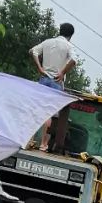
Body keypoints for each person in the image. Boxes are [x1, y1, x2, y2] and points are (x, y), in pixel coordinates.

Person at [30, 22, 78, 152]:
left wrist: (40, 68)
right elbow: (74, 60)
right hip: (56, 82)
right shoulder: (68, 46)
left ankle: (30, 140)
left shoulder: (48, 42)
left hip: (43, 78)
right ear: (71, 35)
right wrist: (62, 72)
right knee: (49, 113)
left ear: (60, 31)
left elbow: (33, 51)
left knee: (37, 110)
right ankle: (44, 144)